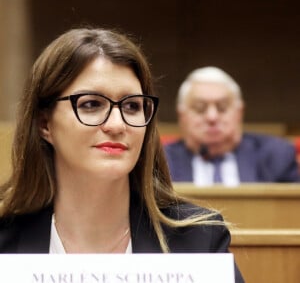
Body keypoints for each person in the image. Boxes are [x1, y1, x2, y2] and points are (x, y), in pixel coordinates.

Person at [0, 28, 244, 282]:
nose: (117, 125)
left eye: (131, 106)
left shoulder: (199, 240)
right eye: (91, 104)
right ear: (44, 124)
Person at [164, 66, 300, 186]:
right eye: (200, 109)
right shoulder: (161, 161)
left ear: (239, 113)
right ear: (181, 116)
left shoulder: (275, 155)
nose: (212, 117)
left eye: (222, 108)